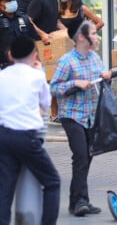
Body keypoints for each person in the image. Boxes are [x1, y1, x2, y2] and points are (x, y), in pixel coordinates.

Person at [50, 20, 112, 216]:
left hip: (91, 115)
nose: (97, 37)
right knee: (80, 156)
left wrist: (106, 76)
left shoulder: (95, 58)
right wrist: (75, 83)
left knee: (88, 156)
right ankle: (79, 202)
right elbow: (54, 88)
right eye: (93, 33)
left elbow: (102, 81)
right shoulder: (66, 61)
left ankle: (79, 199)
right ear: (82, 37)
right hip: (72, 115)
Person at [0, 35, 61, 225]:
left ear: (10, 55)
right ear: (34, 55)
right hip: (27, 137)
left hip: (3, 134)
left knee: (5, 187)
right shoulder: (37, 76)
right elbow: (43, 106)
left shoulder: (2, 75)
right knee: (52, 181)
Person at [0, 0, 38, 69]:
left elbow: (34, 40)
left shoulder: (24, 18)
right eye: (8, 0)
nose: (12, 2)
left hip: (26, 66)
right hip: (4, 67)